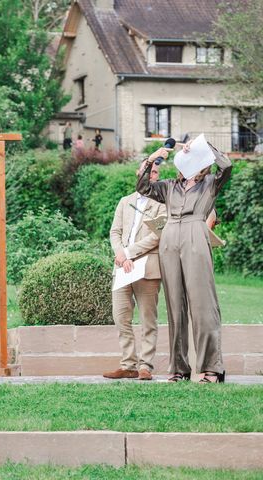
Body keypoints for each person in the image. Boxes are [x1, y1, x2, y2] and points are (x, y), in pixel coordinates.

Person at [137, 142, 232, 383]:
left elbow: (227, 166)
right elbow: (143, 187)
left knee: (203, 305)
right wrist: (151, 160)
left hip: (195, 235)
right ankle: (179, 369)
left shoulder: (210, 183)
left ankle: (212, 368)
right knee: (175, 306)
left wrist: (203, 145)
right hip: (169, 239)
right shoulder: (170, 186)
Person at [104, 159, 166, 381]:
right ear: (138, 172)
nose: (151, 174)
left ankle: (145, 366)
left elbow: (157, 236)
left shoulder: (163, 204)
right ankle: (128, 364)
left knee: (148, 319)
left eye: (155, 171)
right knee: (121, 317)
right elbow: (115, 232)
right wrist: (120, 253)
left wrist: (129, 252)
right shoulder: (124, 201)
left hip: (147, 268)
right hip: (122, 266)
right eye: (147, 170)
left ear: (158, 177)